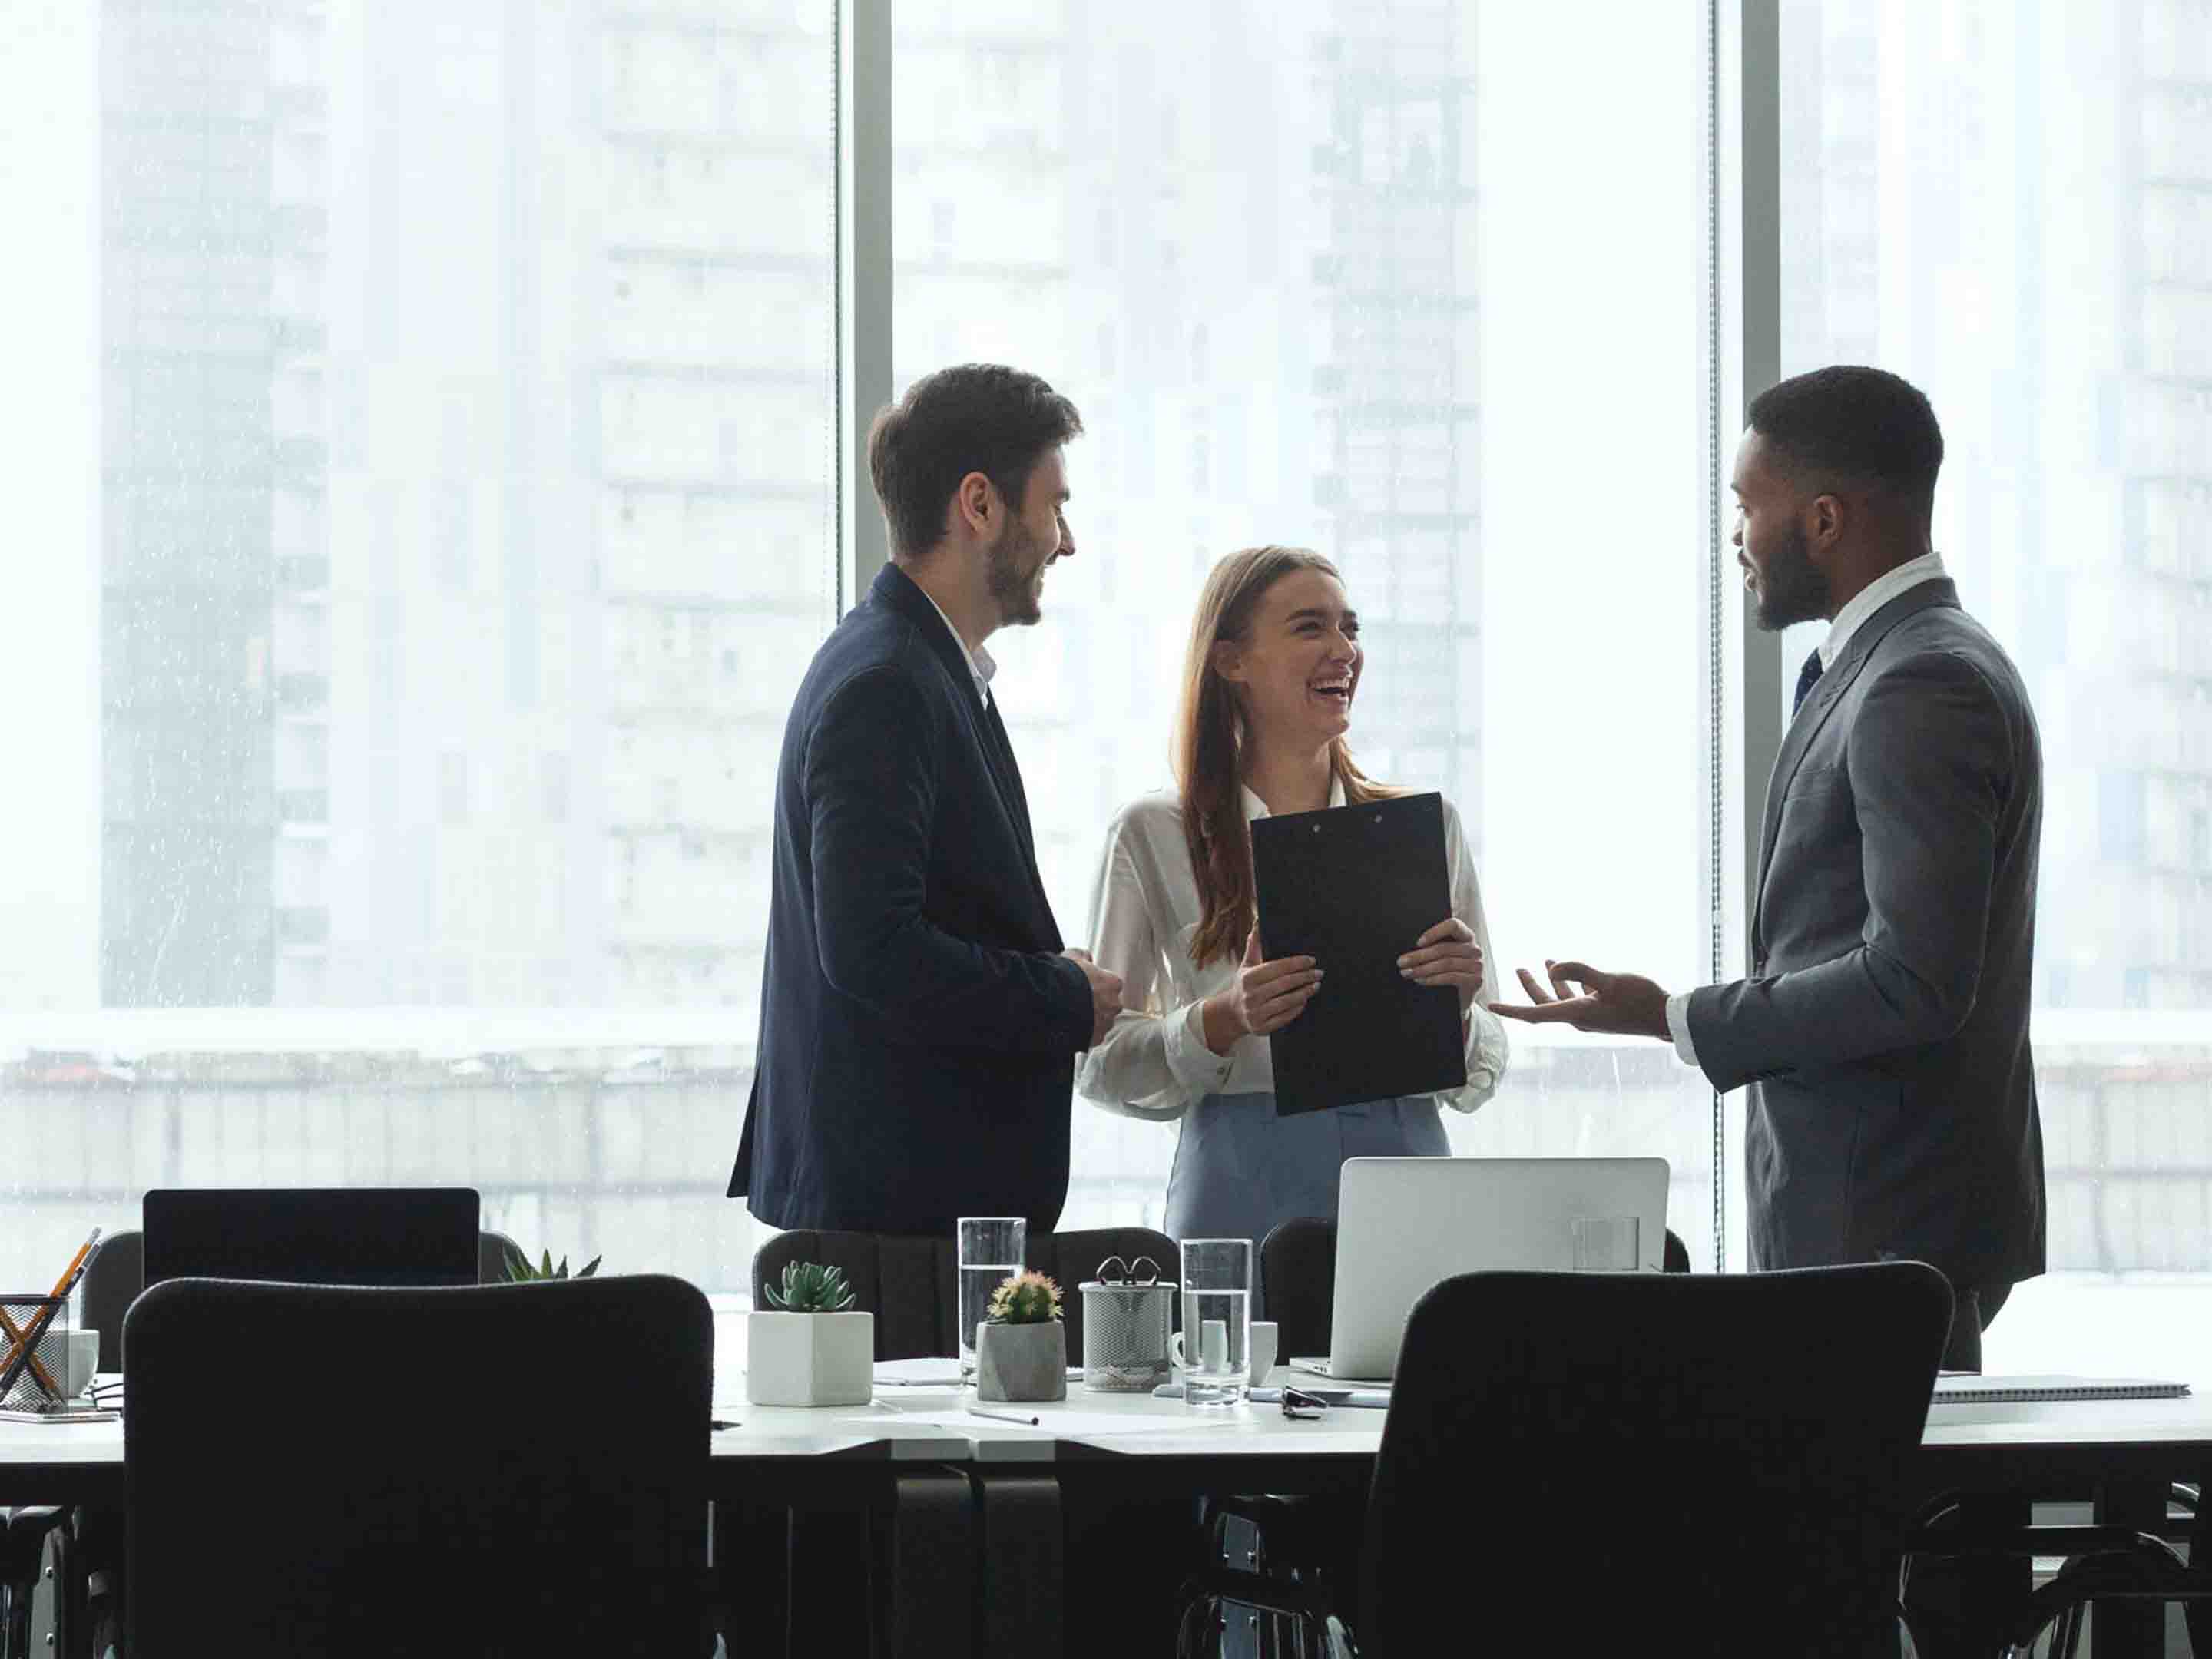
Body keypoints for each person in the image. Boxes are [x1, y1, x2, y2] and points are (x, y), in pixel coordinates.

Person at [1492, 365, 2045, 1372]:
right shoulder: (1902, 661)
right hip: (1876, 1219)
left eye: (1750, 506)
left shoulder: (1916, 681)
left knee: (1870, 1531)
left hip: (1879, 1229)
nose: (1738, 539)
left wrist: (1679, 1017)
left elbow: (1913, 979)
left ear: (1825, 519)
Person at [730, 363, 1124, 1238]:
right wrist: (1062, 997)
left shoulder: (913, 668)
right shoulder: (889, 684)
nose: (1066, 542)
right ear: (978, 505)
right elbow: (873, 950)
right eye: (1054, 507)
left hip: (907, 1210)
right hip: (898, 1227)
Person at [1076, 545, 1508, 1254]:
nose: (1344, 649)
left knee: (1417, 1364)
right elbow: (1098, 1066)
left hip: (1406, 1174)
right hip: (1240, 1179)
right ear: (1230, 661)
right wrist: (1220, 1019)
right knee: (1235, 1367)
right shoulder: (1152, 834)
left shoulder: (1427, 830)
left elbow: (1483, 1065)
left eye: (1351, 628)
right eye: (1310, 627)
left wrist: (1458, 1010)